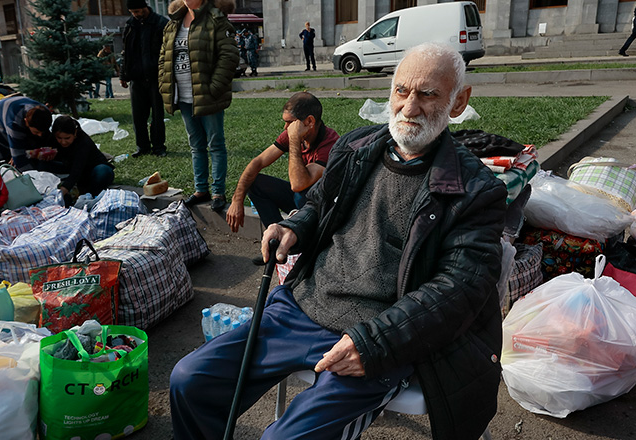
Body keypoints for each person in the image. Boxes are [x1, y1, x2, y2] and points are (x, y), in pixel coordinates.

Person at [170, 42, 507, 440]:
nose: (410, 108)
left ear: (458, 101)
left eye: (428, 94)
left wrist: (374, 343)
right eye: (402, 91)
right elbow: (317, 203)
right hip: (302, 306)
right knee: (188, 379)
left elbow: (459, 291)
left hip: (379, 334)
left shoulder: (476, 190)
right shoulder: (357, 147)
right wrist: (296, 226)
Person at [159, 0, 239, 213]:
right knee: (196, 145)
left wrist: (214, 88)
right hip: (183, 96)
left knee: (215, 144)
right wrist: (163, 82)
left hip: (208, 96)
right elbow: (163, 57)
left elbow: (229, 55)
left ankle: (218, 192)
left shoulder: (215, 18)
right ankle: (200, 189)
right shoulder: (174, 21)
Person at [225, 92, 339, 237]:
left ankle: (301, 247)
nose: (286, 128)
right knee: (255, 183)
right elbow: (257, 162)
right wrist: (237, 200)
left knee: (300, 194)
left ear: (309, 121)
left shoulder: (330, 144)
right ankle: (276, 240)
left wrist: (293, 139)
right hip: (301, 200)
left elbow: (298, 184)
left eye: (290, 122)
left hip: (321, 208)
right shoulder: (293, 134)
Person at [120, 0, 169, 158]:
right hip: (136, 78)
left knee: (157, 116)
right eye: (133, 12)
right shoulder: (129, 26)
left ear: (145, 8)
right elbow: (125, 52)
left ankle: (159, 146)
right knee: (138, 116)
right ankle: (142, 146)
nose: (136, 15)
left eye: (138, 11)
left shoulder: (161, 23)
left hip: (156, 77)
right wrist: (123, 75)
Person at [42, 115, 115, 205]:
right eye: (59, 138)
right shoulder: (53, 139)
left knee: (103, 172)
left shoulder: (83, 142)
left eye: (67, 138)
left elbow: (78, 168)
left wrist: (61, 192)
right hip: (70, 168)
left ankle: (90, 194)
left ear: (75, 133)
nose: (63, 142)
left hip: (90, 170)